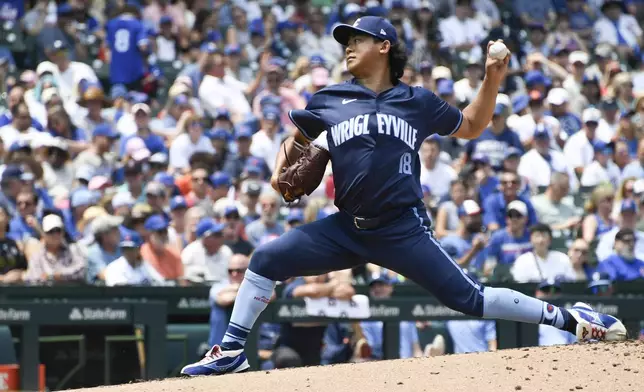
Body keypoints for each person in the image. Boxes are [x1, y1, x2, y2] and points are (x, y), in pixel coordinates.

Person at [181, 16, 626, 377]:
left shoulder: (417, 101)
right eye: (345, 40)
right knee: (265, 260)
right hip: (345, 228)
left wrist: (492, 77)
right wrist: (286, 167)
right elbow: (294, 144)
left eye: (358, 38)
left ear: (385, 46)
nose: (348, 46)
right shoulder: (329, 98)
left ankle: (576, 320)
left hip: (402, 227)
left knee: (468, 298)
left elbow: (471, 125)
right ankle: (232, 350)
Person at [510, 223, 577, 283]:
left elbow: (571, 281)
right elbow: (519, 284)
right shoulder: (522, 260)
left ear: (550, 240)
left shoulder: (562, 258)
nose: (541, 240)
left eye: (544, 236)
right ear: (531, 239)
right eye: (537, 236)